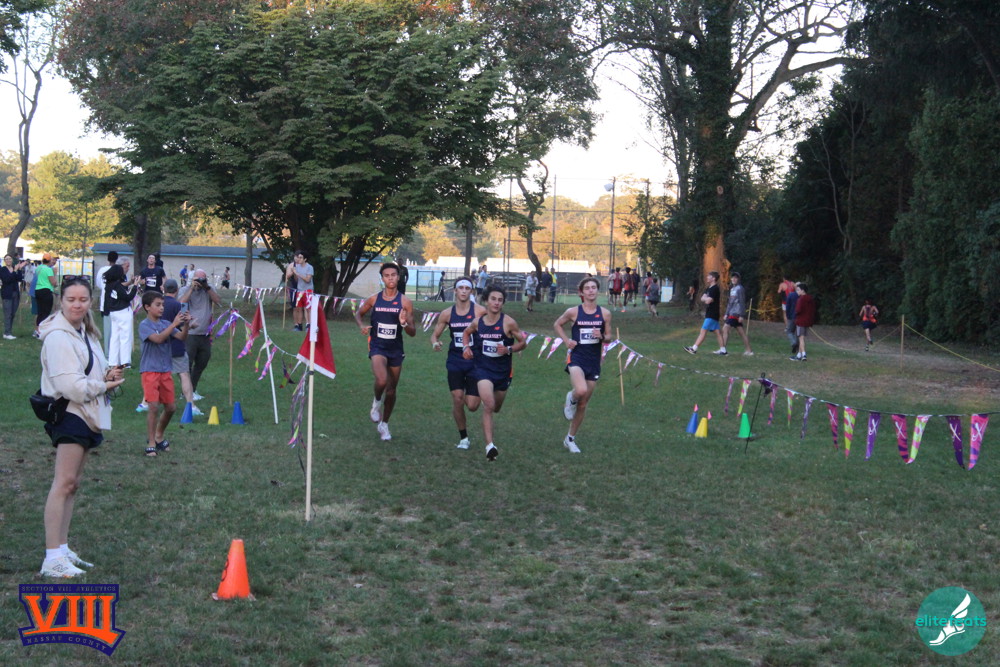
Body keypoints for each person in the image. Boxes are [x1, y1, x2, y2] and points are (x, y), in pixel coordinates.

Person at [38, 276, 125, 577]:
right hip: (70, 413)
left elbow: (90, 371)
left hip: (87, 412)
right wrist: (105, 385)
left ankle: (62, 549)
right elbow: (72, 387)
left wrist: (107, 374)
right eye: (71, 299)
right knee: (63, 483)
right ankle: (52, 557)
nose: (77, 305)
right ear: (60, 301)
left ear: (91, 301)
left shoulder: (86, 332)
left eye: (83, 300)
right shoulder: (58, 337)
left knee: (72, 484)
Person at [461, 285, 526, 461]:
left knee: (496, 407)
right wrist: (466, 347)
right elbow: (466, 333)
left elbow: (523, 343)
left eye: (500, 300)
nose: (496, 303)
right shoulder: (478, 322)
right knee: (489, 405)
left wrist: (509, 349)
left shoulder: (509, 322)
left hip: (503, 372)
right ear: (486, 301)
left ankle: (486, 399)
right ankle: (490, 446)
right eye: (493, 299)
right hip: (483, 369)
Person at [355, 262, 415, 441]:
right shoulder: (374, 299)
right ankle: (376, 402)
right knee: (381, 380)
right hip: (377, 347)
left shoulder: (405, 302)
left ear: (398, 277)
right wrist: (361, 325)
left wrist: (404, 323)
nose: (390, 278)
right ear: (382, 279)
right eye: (387, 275)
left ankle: (384, 424)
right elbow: (359, 314)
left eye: (393, 275)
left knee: (391, 390)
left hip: (395, 349)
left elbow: (412, 332)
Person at [553, 277, 612, 454]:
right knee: (580, 390)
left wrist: (601, 336)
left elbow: (609, 337)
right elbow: (557, 324)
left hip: (593, 361)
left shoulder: (605, 314)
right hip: (576, 358)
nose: (591, 290)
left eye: (594, 287)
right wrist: (566, 341)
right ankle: (570, 398)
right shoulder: (573, 312)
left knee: (583, 404)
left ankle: (570, 439)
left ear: (598, 291)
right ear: (581, 292)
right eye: (587, 288)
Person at [429, 277, 486, 450]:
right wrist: (435, 343)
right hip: (455, 360)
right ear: (455, 291)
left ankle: (479, 392)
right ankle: (464, 438)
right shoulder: (447, 313)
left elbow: (493, 329)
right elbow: (435, 334)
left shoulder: (480, 311)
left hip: (475, 360)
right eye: (460, 288)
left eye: (467, 288)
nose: (463, 291)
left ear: (471, 291)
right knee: (457, 398)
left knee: (472, 406)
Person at [138, 290, 191, 455]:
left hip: (165, 370)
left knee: (171, 407)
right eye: (158, 305)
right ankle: (151, 442)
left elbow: (181, 337)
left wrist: (186, 324)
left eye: (162, 305)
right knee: (153, 407)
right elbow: (158, 339)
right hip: (150, 371)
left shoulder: (165, 323)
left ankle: (159, 435)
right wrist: (173, 325)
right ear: (147, 307)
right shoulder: (144, 325)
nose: (162, 308)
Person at [179, 269, 220, 399]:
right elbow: (181, 303)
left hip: (205, 333)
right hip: (190, 333)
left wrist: (206, 287)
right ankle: (186, 392)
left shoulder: (209, 289)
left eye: (203, 279)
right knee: (187, 363)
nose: (200, 282)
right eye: (198, 279)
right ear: (192, 279)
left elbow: (218, 301)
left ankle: (192, 389)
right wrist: (192, 288)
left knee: (203, 361)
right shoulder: (185, 289)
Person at [162, 279, 201, 415]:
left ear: (164, 289)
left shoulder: (157, 304)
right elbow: (184, 325)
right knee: (184, 374)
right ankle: (191, 405)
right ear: (177, 290)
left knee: (156, 374)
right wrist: (192, 325)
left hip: (160, 344)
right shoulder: (181, 306)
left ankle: (145, 403)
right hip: (176, 344)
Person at [103, 262, 141, 369]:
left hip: (113, 313)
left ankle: (113, 361)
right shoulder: (117, 286)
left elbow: (121, 288)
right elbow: (128, 297)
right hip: (123, 312)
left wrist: (131, 283)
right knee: (125, 337)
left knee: (114, 338)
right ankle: (125, 362)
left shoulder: (109, 285)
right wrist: (135, 286)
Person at [684, 271, 724, 354]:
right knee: (718, 333)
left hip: (712, 314)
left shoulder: (715, 288)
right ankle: (723, 350)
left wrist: (707, 299)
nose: (707, 277)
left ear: (713, 278)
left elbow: (708, 301)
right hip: (710, 313)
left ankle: (694, 349)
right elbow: (702, 298)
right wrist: (706, 299)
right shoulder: (708, 288)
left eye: (709, 276)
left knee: (703, 331)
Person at [719, 271, 754, 356]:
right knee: (742, 333)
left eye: (735, 278)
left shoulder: (740, 289)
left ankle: (723, 350)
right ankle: (749, 351)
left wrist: (742, 315)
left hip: (736, 313)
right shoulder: (732, 289)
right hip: (731, 313)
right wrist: (726, 313)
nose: (733, 279)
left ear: (738, 279)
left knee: (725, 328)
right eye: (732, 277)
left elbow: (742, 302)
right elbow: (730, 303)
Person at [285, 251, 314, 331]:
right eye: (298, 257)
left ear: (305, 259)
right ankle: (299, 325)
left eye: (301, 257)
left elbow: (308, 280)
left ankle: (309, 325)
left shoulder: (309, 267)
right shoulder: (297, 267)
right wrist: (292, 272)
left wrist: (297, 274)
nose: (299, 259)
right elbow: (295, 279)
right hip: (299, 290)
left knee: (308, 308)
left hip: (308, 290)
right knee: (299, 308)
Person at [1, 253, 27, 338]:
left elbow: (19, 278)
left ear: (12, 260)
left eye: (10, 259)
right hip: (7, 294)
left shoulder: (14, 268)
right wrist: (15, 271)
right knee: (8, 313)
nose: (8, 260)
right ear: (5, 261)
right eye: (6, 259)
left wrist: (19, 269)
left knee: (12, 313)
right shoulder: (3, 270)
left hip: (15, 293)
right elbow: (7, 280)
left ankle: (8, 331)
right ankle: (7, 333)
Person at [791, 282, 816, 361]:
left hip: (801, 321)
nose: (797, 291)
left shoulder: (801, 299)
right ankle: (799, 355)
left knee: (801, 338)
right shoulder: (810, 299)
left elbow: (798, 310)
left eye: (798, 290)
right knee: (802, 338)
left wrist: (796, 313)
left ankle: (804, 355)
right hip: (807, 321)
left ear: (803, 290)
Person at [784, 281, 800, 357]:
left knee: (789, 331)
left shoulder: (791, 295)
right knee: (798, 333)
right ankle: (797, 347)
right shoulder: (802, 296)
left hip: (792, 317)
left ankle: (793, 343)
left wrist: (787, 316)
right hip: (800, 317)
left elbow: (788, 306)